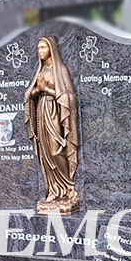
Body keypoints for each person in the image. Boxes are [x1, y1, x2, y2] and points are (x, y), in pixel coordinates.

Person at [23, 35, 79, 214]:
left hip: (55, 112)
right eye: (38, 48)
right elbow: (31, 93)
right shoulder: (40, 71)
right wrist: (33, 93)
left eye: (43, 48)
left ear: (51, 49)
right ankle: (54, 191)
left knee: (56, 151)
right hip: (42, 112)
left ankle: (67, 186)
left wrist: (45, 90)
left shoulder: (59, 69)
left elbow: (68, 96)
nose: (40, 51)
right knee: (46, 152)